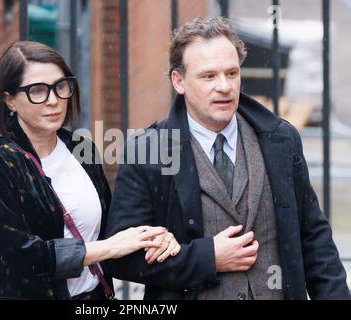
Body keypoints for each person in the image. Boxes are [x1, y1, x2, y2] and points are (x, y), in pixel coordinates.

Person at [105, 17, 350, 300]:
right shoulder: (147, 151)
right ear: (179, 81)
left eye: (231, 73)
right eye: (209, 76)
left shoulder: (280, 139)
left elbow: (313, 237)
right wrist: (207, 258)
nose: (224, 86)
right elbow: (121, 258)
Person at [0, 41, 181, 300]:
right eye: (37, 91)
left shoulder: (81, 148)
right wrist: (107, 248)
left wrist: (156, 237)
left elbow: (113, 227)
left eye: (60, 86)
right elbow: (20, 257)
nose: (54, 100)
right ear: (10, 101)